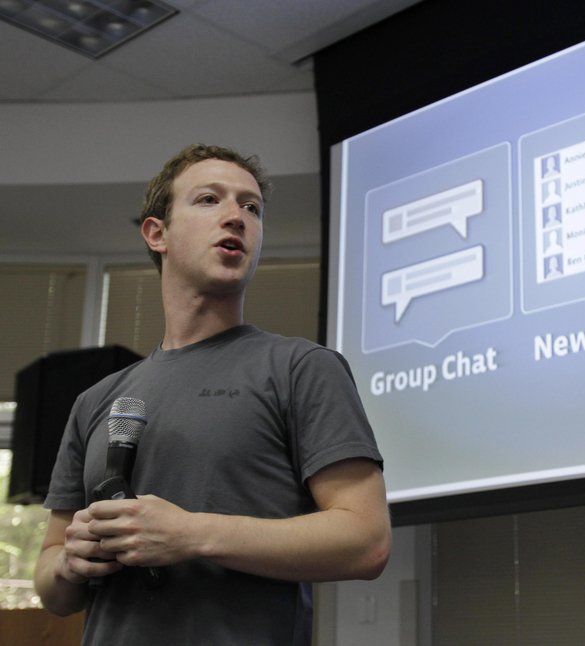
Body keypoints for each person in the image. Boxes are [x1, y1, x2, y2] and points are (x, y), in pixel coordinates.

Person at [33, 144, 391, 646]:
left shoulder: (302, 368)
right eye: (208, 199)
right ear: (157, 233)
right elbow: (52, 584)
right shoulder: (95, 401)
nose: (237, 217)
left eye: (251, 207)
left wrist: (190, 534)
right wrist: (71, 563)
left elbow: (367, 541)